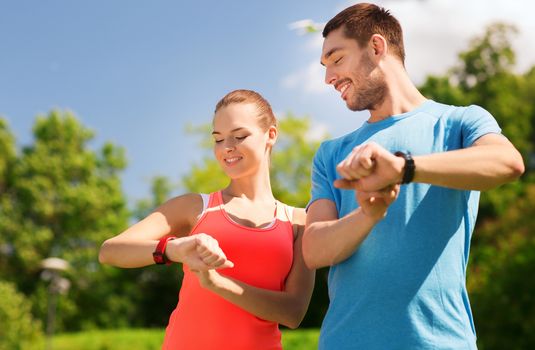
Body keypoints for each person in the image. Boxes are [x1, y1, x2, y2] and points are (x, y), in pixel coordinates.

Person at [302, 3, 525, 350]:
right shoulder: (331, 154)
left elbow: (507, 162)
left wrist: (404, 169)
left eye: (336, 59)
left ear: (376, 48)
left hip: (440, 342)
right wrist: (367, 215)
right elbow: (314, 250)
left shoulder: (460, 122)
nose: (328, 77)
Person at [99, 89, 316, 350]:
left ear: (270, 135)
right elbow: (110, 251)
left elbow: (293, 312)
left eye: (239, 136)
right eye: (218, 139)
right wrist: (173, 249)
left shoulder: (299, 222)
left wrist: (217, 283)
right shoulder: (195, 207)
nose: (227, 148)